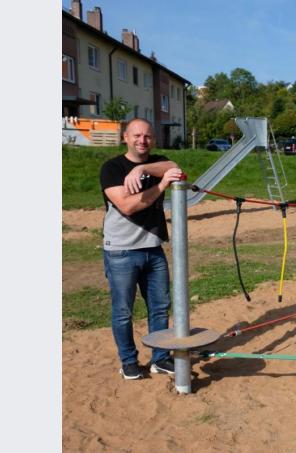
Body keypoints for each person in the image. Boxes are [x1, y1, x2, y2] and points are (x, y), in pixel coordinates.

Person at [100, 119, 185, 379]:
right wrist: (160, 186)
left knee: (160, 307)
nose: (142, 140)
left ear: (154, 139)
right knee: (123, 311)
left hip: (153, 248)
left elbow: (175, 168)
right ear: (125, 137)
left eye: (147, 136)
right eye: (136, 135)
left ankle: (160, 358)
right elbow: (126, 206)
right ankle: (128, 362)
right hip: (121, 251)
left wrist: (143, 170)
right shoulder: (112, 168)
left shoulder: (158, 161)